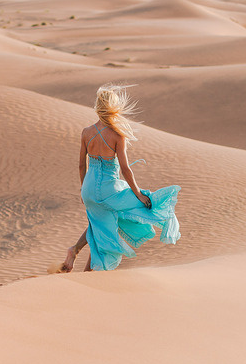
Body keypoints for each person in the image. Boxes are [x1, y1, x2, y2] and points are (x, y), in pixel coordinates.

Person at [60, 83, 181, 272]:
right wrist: (139, 194)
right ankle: (86, 265)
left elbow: (81, 165)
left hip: (89, 188)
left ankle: (75, 254)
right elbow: (125, 169)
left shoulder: (86, 132)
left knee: (100, 225)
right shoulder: (117, 135)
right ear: (114, 109)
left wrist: (84, 189)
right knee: (148, 201)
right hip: (109, 189)